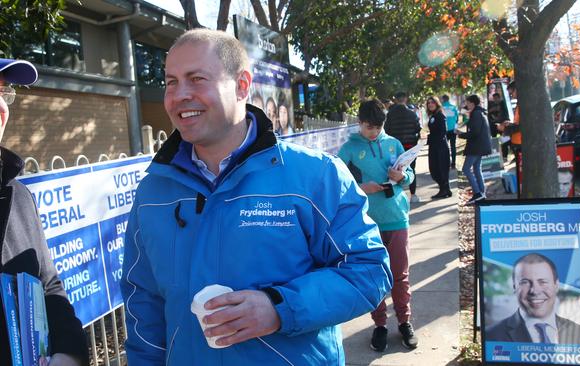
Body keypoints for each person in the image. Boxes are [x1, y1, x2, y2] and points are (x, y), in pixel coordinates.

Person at [119, 29, 392, 365]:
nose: (179, 95)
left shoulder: (315, 175)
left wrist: (279, 307)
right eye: (171, 81)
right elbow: (142, 300)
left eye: (196, 78)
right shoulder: (153, 191)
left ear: (242, 85)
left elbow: (369, 271)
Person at [0, 58, 88, 366]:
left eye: (3, 90)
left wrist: (68, 355)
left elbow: (47, 285)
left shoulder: (18, 195)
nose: (0, 103)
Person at [338, 99, 418, 352]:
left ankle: (405, 322)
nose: (371, 132)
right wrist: (362, 189)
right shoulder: (349, 149)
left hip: (396, 217)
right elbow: (337, 183)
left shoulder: (393, 143)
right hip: (366, 223)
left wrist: (403, 176)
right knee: (374, 276)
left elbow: (410, 175)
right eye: (367, 127)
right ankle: (380, 324)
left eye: (376, 127)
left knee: (400, 275)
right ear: (359, 122)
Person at [485, 253, 580, 344]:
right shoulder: (492, 336)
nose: (534, 291)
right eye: (525, 282)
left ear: (556, 285)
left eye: (543, 282)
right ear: (514, 287)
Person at [385, 91, 421, 203]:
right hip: (410, 146)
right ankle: (413, 195)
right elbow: (417, 129)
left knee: (394, 170)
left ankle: (395, 196)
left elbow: (387, 130)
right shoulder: (412, 114)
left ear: (395, 99)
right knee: (411, 170)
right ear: (405, 99)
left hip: (394, 148)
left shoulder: (390, 114)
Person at [456, 94, 491, 203]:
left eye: (467, 102)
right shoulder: (480, 112)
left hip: (476, 146)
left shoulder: (476, 114)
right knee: (476, 169)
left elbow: (474, 132)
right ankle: (481, 193)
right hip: (480, 145)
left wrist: (461, 134)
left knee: (466, 169)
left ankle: (477, 193)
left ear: (472, 103)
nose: (466, 104)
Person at [426, 96, 451, 199]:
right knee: (435, 168)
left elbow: (442, 132)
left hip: (439, 147)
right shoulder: (433, 116)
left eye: (432, 102)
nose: (430, 104)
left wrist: (431, 138)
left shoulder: (440, 116)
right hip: (434, 145)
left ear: (437, 104)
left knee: (439, 168)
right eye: (428, 103)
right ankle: (445, 189)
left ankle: (444, 190)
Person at [497, 81, 520, 161]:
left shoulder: (523, 105)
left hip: (520, 143)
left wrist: (505, 129)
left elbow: (522, 126)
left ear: (517, 90)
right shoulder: (519, 104)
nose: (511, 96)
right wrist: (510, 124)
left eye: (511, 93)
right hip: (516, 141)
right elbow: (518, 123)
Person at [442, 94, 459, 169]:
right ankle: (454, 163)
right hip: (452, 130)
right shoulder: (453, 107)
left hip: (444, 130)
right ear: (448, 99)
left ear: (443, 99)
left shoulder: (441, 107)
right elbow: (457, 118)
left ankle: (447, 162)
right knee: (453, 146)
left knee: (445, 147)